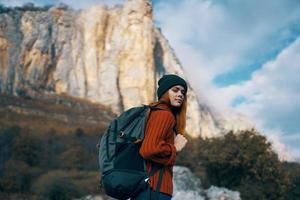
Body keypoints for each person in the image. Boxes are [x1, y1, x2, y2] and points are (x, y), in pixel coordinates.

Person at [133, 74, 188, 200]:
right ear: (164, 92)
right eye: (175, 90)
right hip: (155, 189)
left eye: (183, 92)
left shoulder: (155, 113)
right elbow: (148, 150)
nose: (180, 94)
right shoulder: (164, 115)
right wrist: (175, 148)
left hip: (147, 188)